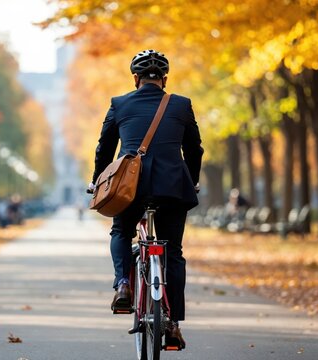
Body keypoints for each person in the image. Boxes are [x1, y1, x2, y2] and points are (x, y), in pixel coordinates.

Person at [89, 49, 203, 349]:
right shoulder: (181, 104)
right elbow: (195, 149)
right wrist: (192, 181)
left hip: (131, 188)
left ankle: (124, 285)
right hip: (173, 189)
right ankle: (174, 323)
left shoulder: (119, 104)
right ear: (164, 79)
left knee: (121, 232)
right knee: (174, 252)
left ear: (135, 78)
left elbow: (104, 148)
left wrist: (97, 179)